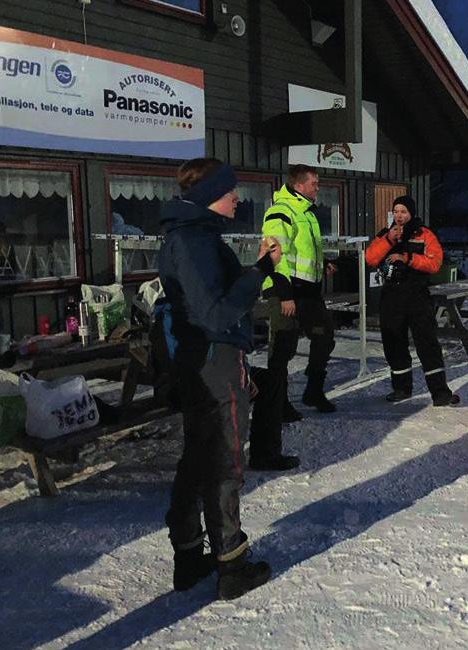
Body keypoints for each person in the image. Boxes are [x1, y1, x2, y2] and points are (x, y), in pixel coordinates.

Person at [158, 157, 279, 600]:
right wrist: (261, 272)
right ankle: (231, 564)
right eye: (230, 191)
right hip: (213, 360)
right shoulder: (194, 241)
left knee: (198, 457)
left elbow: (210, 297)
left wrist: (254, 270)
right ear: (210, 196)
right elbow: (217, 311)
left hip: (202, 359)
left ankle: (190, 556)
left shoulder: (193, 236)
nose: (236, 198)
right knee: (224, 460)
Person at [365, 195, 460, 406]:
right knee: (394, 342)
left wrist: (407, 258)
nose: (399, 216)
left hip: (417, 296)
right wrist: (389, 239)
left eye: (404, 212)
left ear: (411, 213)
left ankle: (440, 392)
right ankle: (401, 389)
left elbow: (434, 264)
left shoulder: (424, 235)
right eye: (396, 211)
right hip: (391, 297)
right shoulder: (385, 235)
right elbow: (370, 258)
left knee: (427, 343)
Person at [261, 164, 337, 420]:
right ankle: (277, 402)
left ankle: (313, 391)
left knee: (324, 336)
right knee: (283, 347)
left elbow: (303, 249)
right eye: (314, 183)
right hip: (287, 290)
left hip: (309, 291)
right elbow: (275, 254)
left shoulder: (308, 212)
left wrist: (322, 263)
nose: (318, 187)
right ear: (298, 185)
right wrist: (284, 294)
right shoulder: (280, 211)